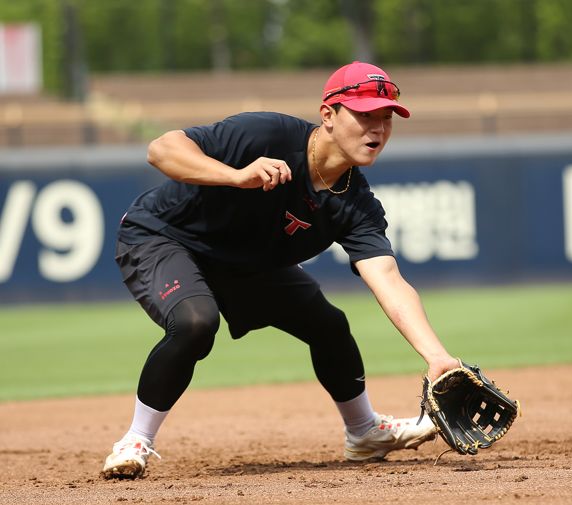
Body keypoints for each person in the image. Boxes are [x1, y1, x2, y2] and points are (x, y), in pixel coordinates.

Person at [101, 61, 461, 479]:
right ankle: (135, 439)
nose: (376, 129)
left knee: (328, 324)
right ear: (328, 115)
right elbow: (160, 149)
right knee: (196, 321)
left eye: (385, 117)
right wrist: (235, 176)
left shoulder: (356, 205)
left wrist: (436, 356)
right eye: (364, 115)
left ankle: (364, 432)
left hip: (243, 262)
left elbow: (387, 277)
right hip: (164, 237)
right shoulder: (266, 134)